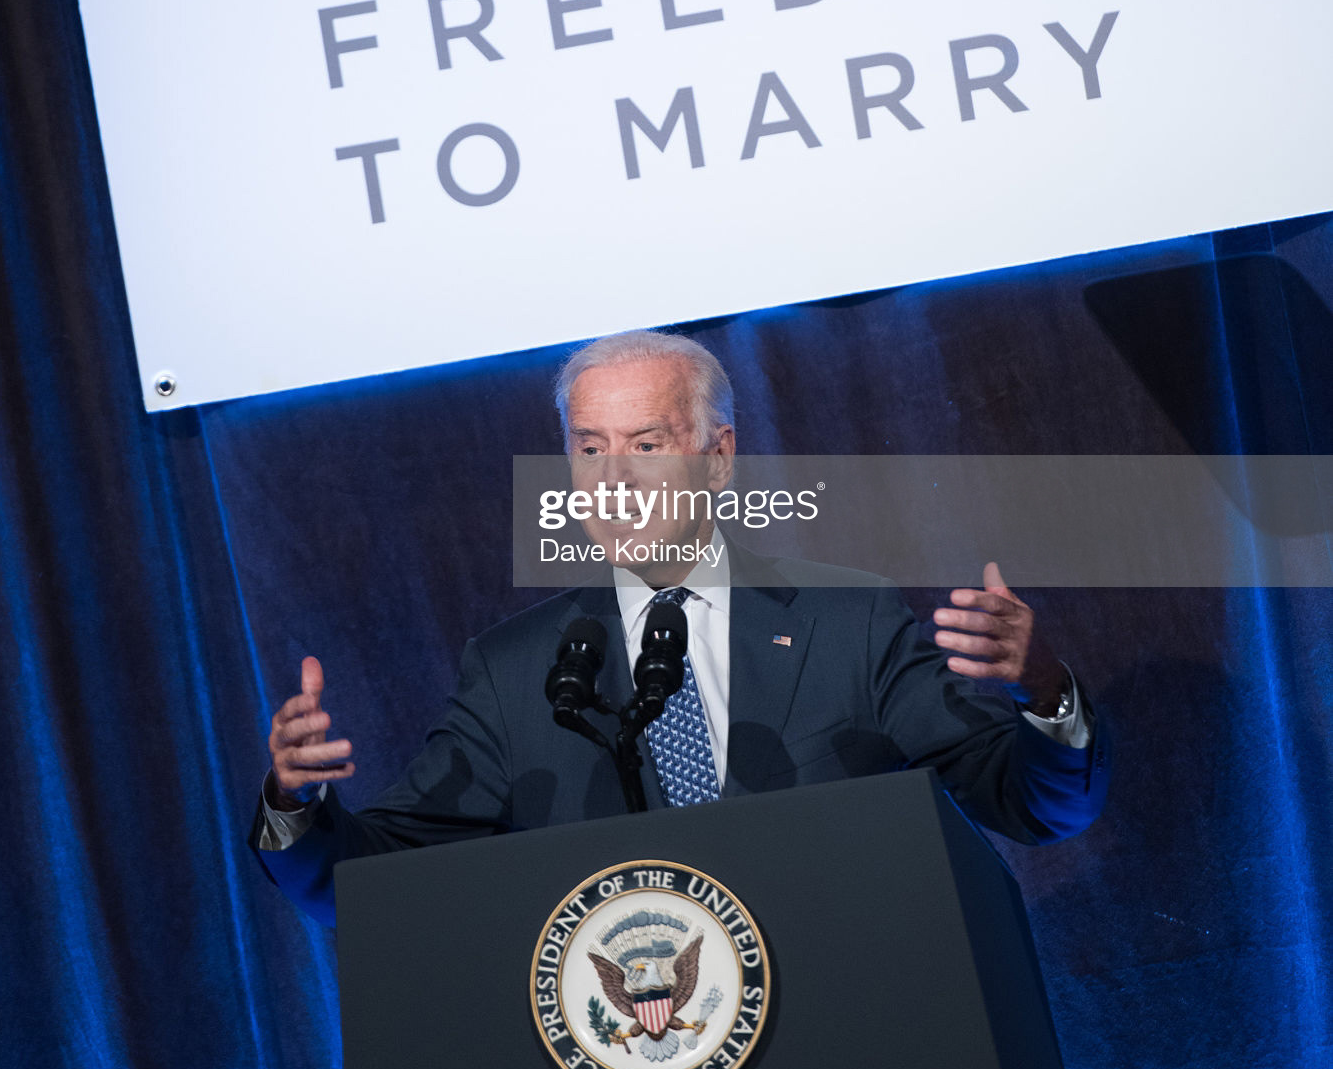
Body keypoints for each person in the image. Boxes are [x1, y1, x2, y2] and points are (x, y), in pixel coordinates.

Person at [252, 330, 1107, 926]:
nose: (614, 477)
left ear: (719, 456)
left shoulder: (849, 621)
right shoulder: (513, 671)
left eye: (646, 443)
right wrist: (297, 804)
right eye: (589, 450)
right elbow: (368, 886)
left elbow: (1034, 807)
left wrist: (1042, 691)